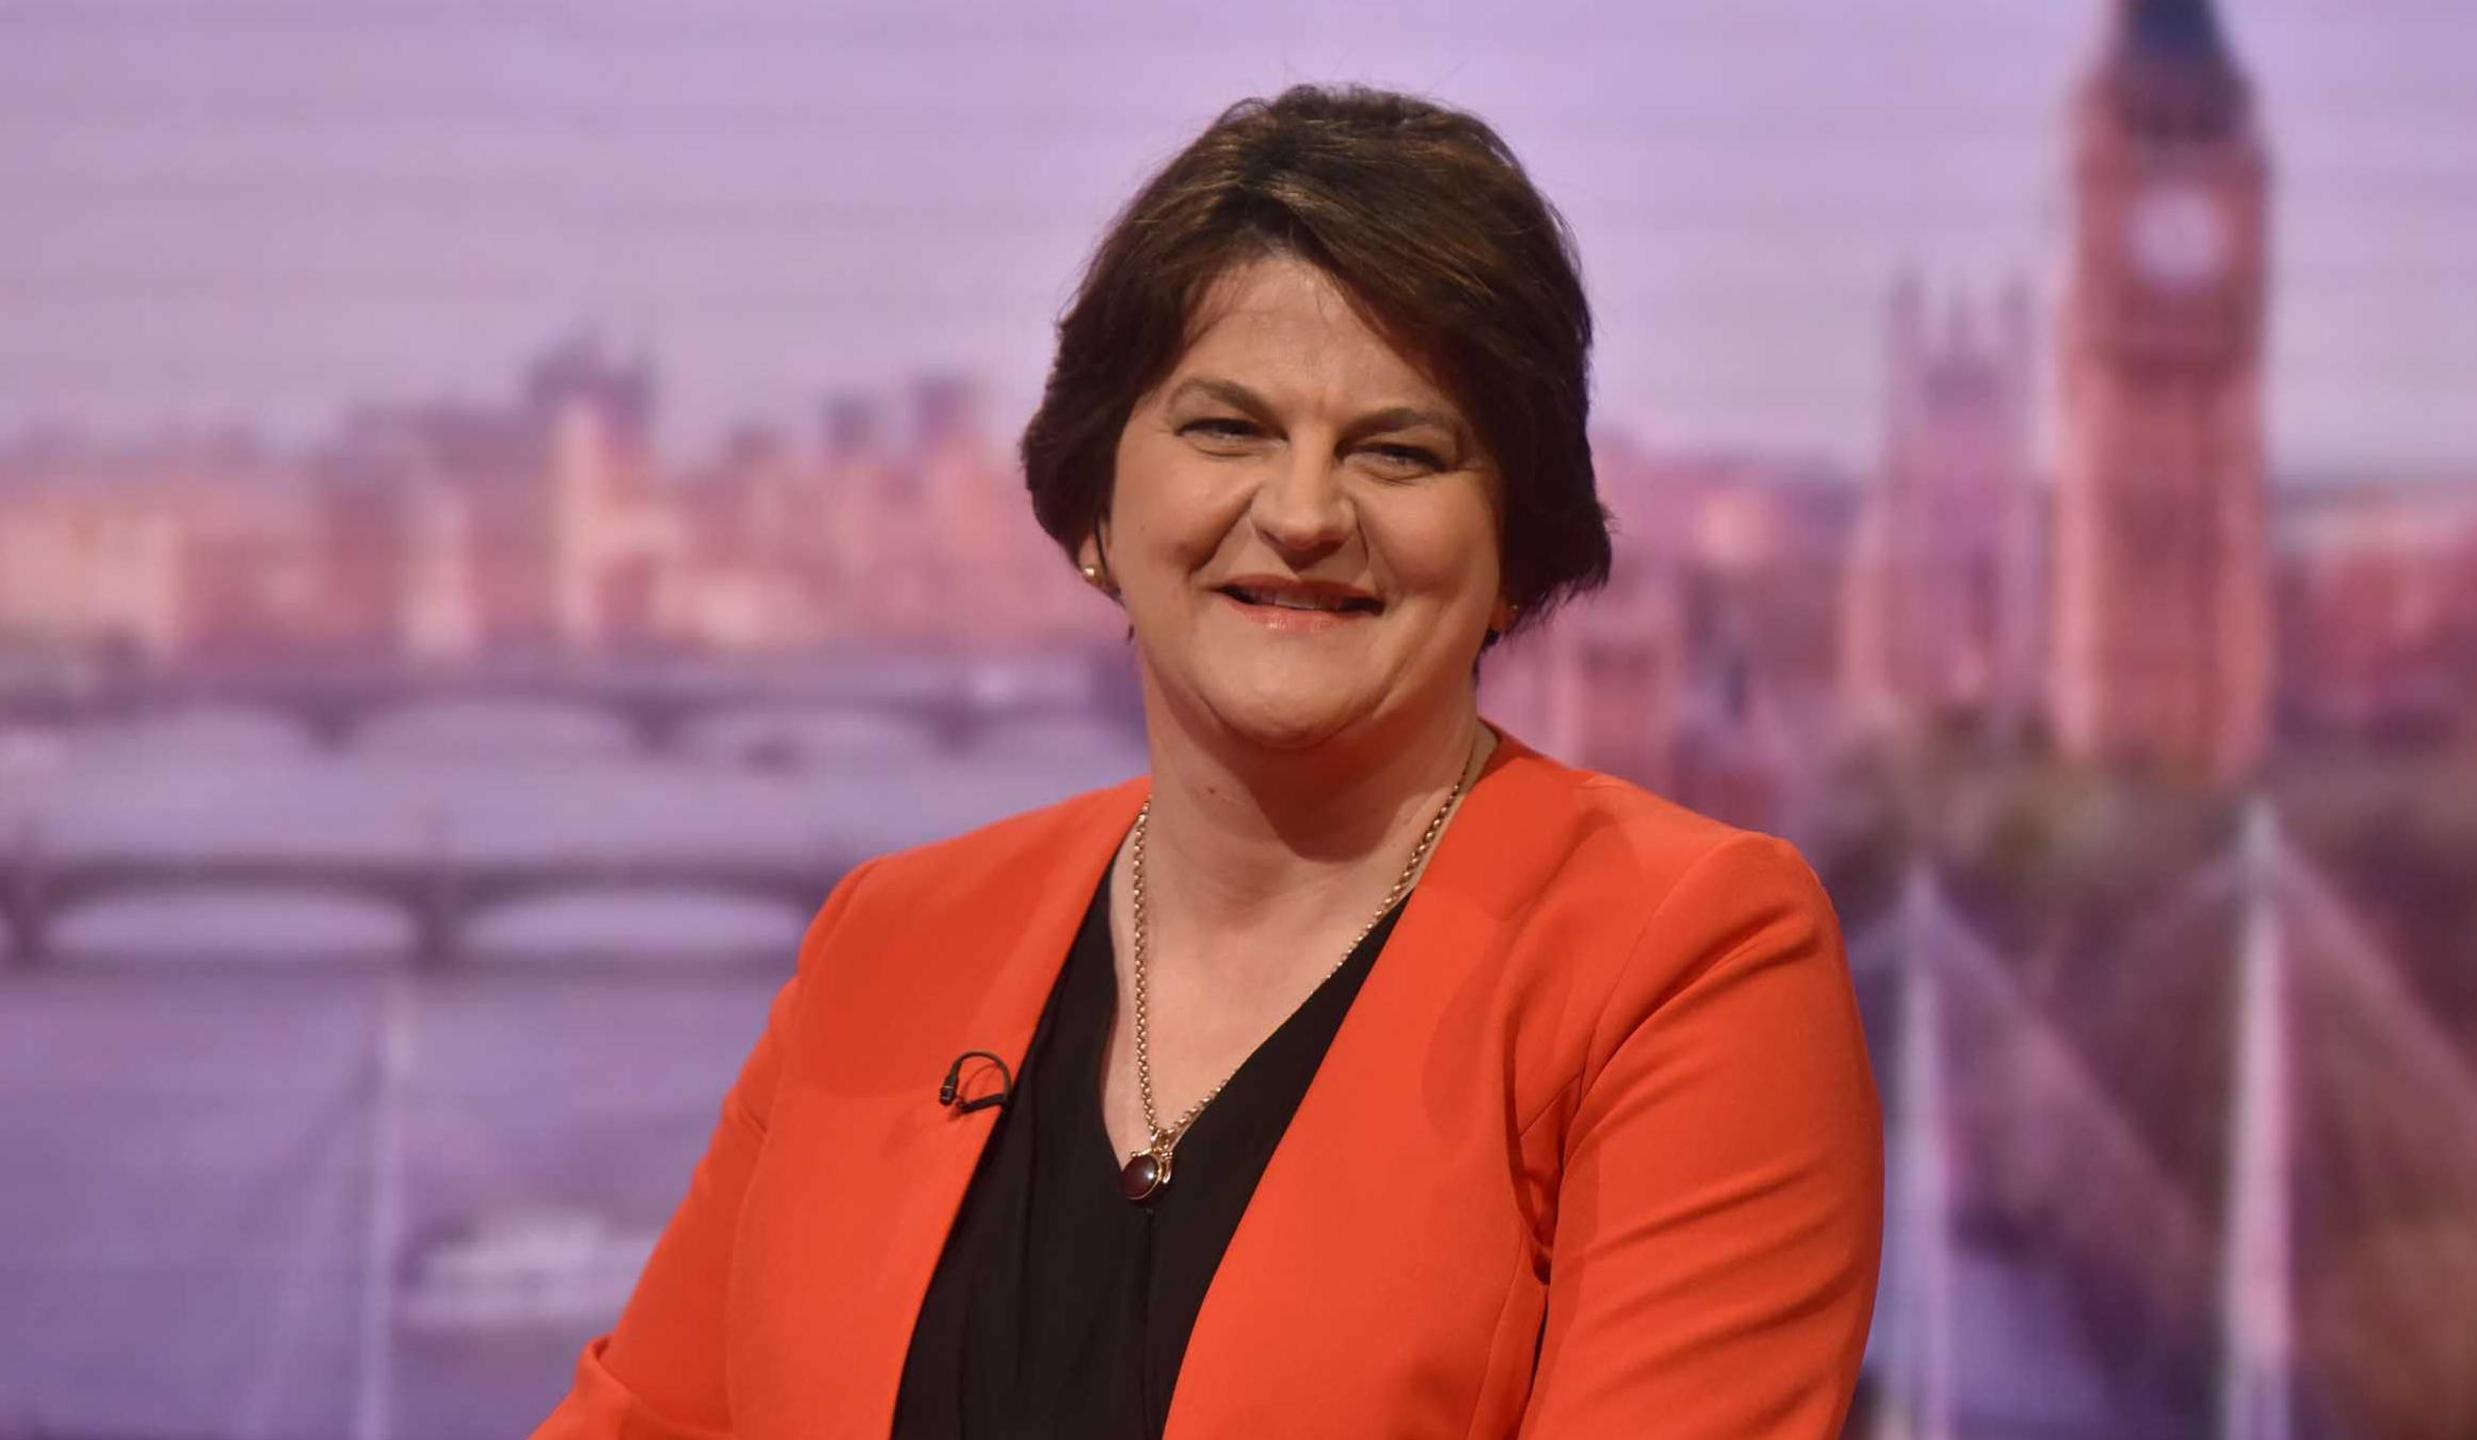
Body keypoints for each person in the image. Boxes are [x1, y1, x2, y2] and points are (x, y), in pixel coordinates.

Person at [536, 83, 1881, 1440]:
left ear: (1511, 553)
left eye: (1399, 451)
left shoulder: (1690, 965)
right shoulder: (886, 947)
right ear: (1095, 511)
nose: (1301, 514)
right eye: (1225, 428)